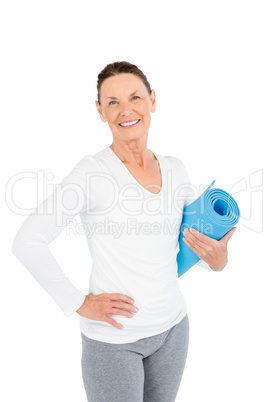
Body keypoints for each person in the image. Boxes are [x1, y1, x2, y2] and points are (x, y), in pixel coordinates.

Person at [11, 61, 236, 402]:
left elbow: (195, 250)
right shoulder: (92, 173)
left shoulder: (175, 168)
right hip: (114, 340)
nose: (126, 110)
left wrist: (218, 261)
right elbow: (27, 241)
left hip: (173, 329)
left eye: (135, 97)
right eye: (113, 102)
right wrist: (78, 303)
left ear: (153, 101)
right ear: (100, 111)